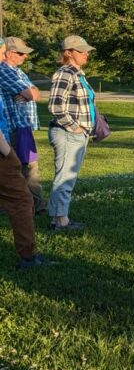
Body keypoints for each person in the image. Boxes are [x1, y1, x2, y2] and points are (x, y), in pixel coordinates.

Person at [47, 35, 98, 232]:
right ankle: (60, 221)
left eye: (86, 50)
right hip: (68, 133)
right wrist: (75, 127)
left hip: (78, 134)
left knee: (67, 176)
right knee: (65, 178)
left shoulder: (78, 73)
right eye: (81, 50)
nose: (86, 53)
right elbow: (55, 106)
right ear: (68, 53)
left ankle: (59, 217)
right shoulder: (65, 73)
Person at [0, 37, 45, 214]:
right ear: (8, 53)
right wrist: (29, 93)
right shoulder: (4, 71)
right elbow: (30, 92)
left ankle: (35, 204)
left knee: (30, 164)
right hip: (13, 127)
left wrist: (30, 93)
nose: (24, 57)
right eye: (20, 53)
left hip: (23, 125)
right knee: (21, 167)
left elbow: (37, 93)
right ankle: (29, 205)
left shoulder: (18, 72)